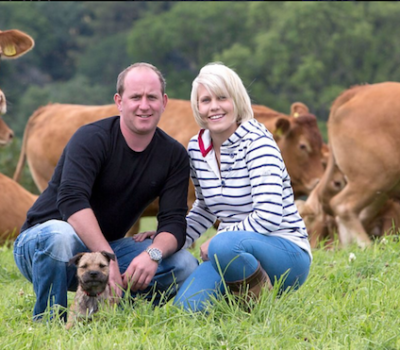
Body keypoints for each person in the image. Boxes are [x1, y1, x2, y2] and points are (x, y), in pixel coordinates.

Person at [13, 62, 199, 321]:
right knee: (61, 234)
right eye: (135, 97)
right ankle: (49, 320)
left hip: (102, 255)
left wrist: (152, 254)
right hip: (42, 246)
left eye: (152, 97)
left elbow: (174, 222)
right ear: (119, 101)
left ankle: (113, 314)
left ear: (164, 102)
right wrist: (108, 259)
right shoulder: (91, 138)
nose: (144, 105)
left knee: (184, 265)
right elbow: (72, 201)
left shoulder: (174, 155)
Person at [172, 62, 312, 312]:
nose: (214, 106)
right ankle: (239, 296)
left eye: (222, 98)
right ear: (198, 107)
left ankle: (261, 311)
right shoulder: (196, 147)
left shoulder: (258, 143)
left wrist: (220, 239)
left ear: (236, 100)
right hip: (229, 255)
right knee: (187, 308)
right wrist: (171, 241)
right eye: (206, 100)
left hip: (284, 252)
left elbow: (268, 216)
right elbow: (204, 208)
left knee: (222, 245)